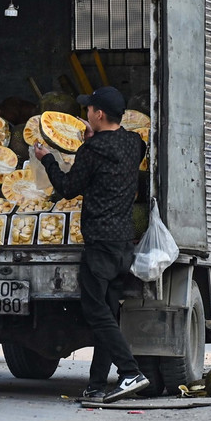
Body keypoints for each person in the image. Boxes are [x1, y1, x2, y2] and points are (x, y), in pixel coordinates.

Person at [34, 85, 149, 403]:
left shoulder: (92, 151)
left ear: (99, 115)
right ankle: (97, 384)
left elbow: (68, 188)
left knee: (95, 310)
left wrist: (48, 160)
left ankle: (130, 372)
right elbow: (124, 153)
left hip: (99, 243)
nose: (84, 115)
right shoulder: (133, 143)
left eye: (88, 110)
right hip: (124, 242)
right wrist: (93, 140)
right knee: (107, 314)